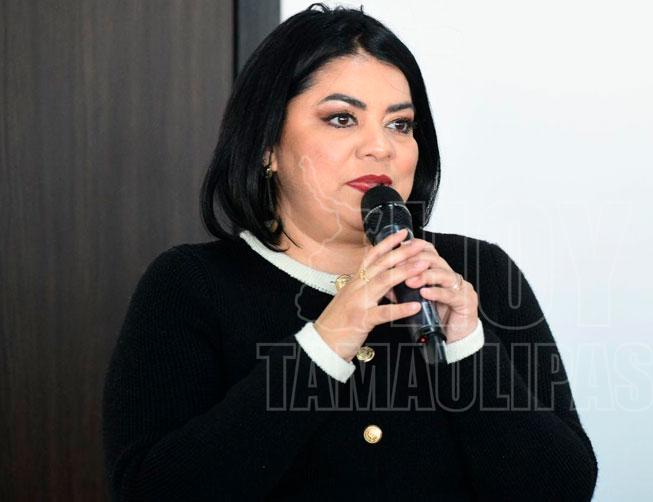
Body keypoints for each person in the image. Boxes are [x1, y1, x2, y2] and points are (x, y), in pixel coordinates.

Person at [101, 3, 598, 500]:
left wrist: (468, 349)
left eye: (400, 124)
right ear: (266, 144)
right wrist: (324, 345)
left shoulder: (478, 272)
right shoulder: (190, 284)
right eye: (342, 118)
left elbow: (563, 490)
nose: (380, 147)